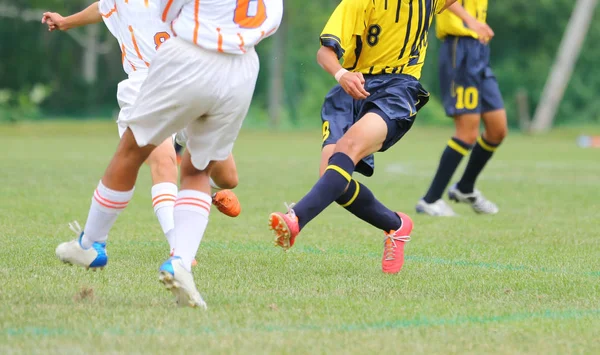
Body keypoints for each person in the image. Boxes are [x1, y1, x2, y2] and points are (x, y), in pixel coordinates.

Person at [51, 0, 283, 308]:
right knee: (195, 170)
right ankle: (180, 261)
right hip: (241, 68)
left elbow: (168, 12)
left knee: (132, 152)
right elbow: (271, 23)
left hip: (188, 59)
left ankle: (91, 243)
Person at [42, 1, 243, 263]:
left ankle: (202, 192)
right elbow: (103, 8)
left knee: (228, 177)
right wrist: (67, 21)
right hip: (145, 84)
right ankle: (178, 250)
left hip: (189, 82)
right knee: (164, 160)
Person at [269, 0, 457, 274]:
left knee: (347, 148)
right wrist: (341, 73)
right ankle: (396, 224)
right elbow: (324, 54)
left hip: (396, 88)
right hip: (349, 91)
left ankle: (296, 219)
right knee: (332, 178)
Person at [416, 0, 508, 216]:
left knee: (498, 129)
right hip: (460, 49)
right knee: (467, 133)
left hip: (479, 50)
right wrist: (471, 21)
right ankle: (430, 199)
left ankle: (465, 188)